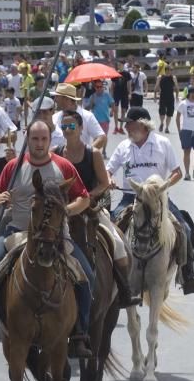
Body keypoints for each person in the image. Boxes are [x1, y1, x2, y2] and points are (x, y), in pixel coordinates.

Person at [0, 120, 94, 356]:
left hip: (56, 235)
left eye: (44, 139)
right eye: (34, 139)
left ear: (50, 139)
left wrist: (66, 211)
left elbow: (83, 198)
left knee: (86, 277)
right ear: (28, 138)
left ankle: (80, 334)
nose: (39, 144)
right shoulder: (13, 166)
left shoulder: (63, 166)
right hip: (18, 230)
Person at [107, 107, 194, 295]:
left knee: (185, 228)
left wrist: (163, 187)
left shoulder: (163, 143)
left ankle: (188, 276)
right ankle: (111, 278)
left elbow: (177, 172)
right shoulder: (123, 147)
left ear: (142, 125)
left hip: (158, 199)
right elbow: (108, 171)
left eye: (129, 124)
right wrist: (109, 180)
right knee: (110, 230)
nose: (126, 128)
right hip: (131, 197)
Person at [56, 110, 139, 309]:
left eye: (72, 126)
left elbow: (103, 183)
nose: (68, 130)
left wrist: (89, 196)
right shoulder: (57, 153)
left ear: (81, 128)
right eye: (64, 127)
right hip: (64, 208)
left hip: (91, 209)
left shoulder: (92, 154)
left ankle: (124, 290)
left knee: (118, 244)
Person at [52, 83, 106, 150]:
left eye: (57, 96)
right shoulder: (54, 117)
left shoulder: (87, 116)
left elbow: (101, 137)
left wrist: (86, 154)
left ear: (66, 99)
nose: (55, 100)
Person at [154, 65, 179, 133]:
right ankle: (162, 123)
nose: (171, 72)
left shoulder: (173, 77)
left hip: (170, 97)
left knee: (169, 113)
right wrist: (155, 97)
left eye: (171, 70)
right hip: (162, 96)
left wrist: (177, 97)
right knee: (162, 112)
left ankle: (167, 127)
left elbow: (177, 88)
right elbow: (156, 87)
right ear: (166, 70)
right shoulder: (160, 77)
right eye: (170, 70)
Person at [111, 63, 131, 133]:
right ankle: (116, 127)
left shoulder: (127, 74)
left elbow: (129, 84)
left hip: (124, 93)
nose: (119, 66)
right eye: (118, 65)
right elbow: (112, 86)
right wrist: (111, 95)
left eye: (121, 65)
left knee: (123, 111)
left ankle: (121, 127)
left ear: (123, 65)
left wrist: (130, 93)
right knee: (115, 110)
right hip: (116, 93)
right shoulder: (115, 74)